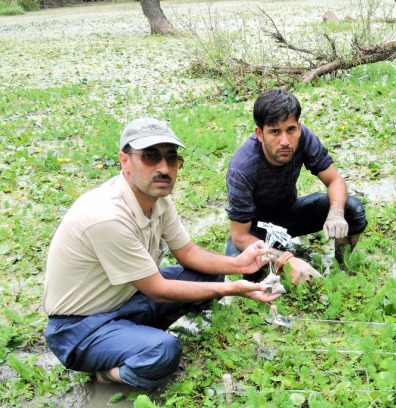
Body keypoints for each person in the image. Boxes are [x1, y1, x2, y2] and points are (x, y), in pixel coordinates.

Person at [42, 118, 279, 389]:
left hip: (127, 296)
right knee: (163, 351)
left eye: (171, 158)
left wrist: (237, 265)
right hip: (80, 328)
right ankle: (106, 372)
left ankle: (137, 337)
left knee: (211, 276)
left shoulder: (159, 201)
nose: (164, 168)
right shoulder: (106, 217)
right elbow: (157, 289)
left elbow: (188, 252)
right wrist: (233, 288)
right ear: (125, 160)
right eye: (150, 156)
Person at [225, 89, 367, 284]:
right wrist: (286, 260)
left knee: (352, 208)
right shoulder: (241, 167)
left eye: (290, 129)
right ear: (260, 133)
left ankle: (341, 267)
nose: (285, 141)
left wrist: (335, 214)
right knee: (239, 265)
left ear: (298, 128)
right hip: (255, 229)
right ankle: (277, 274)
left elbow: (335, 181)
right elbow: (240, 236)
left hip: (290, 214)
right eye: (274, 131)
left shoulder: (304, 138)